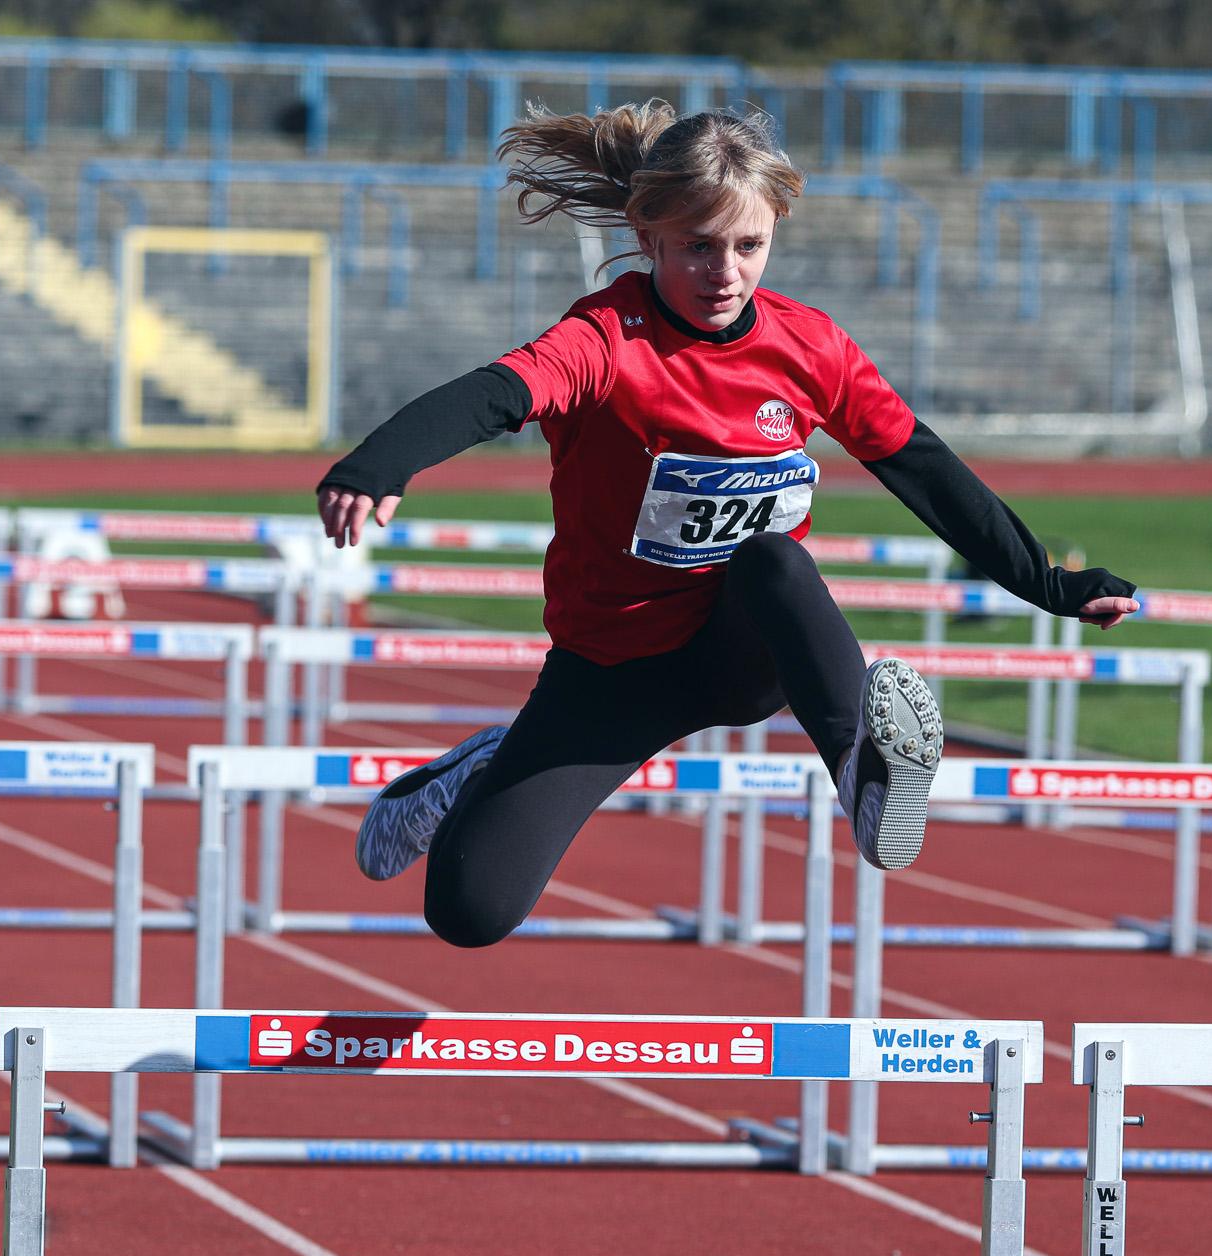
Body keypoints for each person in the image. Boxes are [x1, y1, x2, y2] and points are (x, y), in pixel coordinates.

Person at [314, 101, 1138, 949]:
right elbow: (495, 394)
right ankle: (478, 771)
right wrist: (378, 464)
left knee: (773, 560)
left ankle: (862, 770)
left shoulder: (810, 348)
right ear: (649, 236)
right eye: (699, 247)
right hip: (611, 672)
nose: (726, 273)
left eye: (749, 246)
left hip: (744, 651)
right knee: (469, 912)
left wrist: (1050, 584)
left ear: (775, 230)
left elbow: (923, 468)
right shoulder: (606, 338)